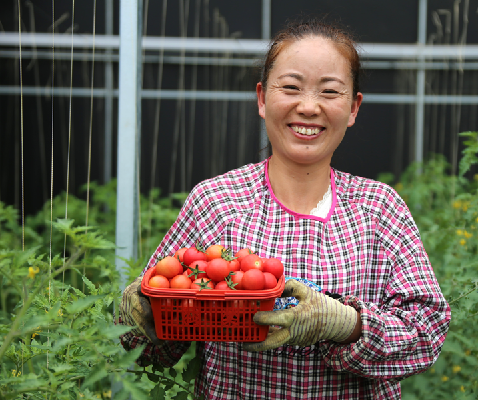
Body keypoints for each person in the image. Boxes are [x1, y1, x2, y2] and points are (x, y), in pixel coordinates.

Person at [117, 17, 451, 399]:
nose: (308, 107)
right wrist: (145, 317)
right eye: (290, 87)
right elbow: (148, 350)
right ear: (262, 98)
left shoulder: (379, 210)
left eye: (330, 92)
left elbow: (427, 336)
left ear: (354, 108)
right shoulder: (217, 202)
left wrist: (347, 324)